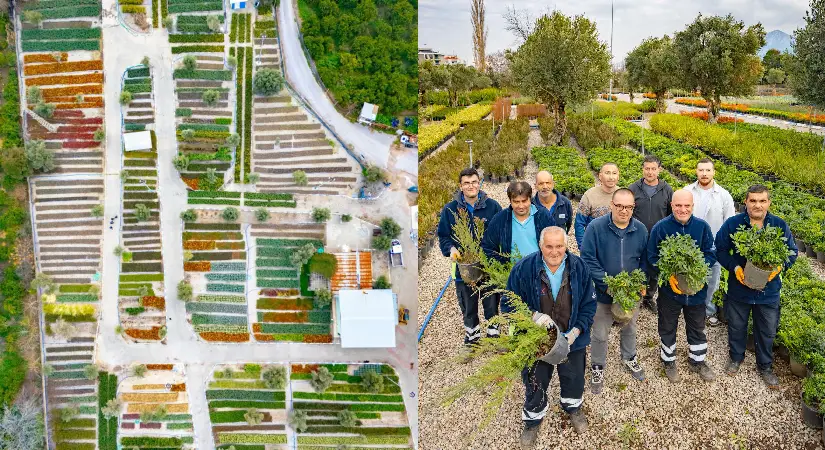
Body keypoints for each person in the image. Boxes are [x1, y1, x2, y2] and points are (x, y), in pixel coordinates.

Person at [504, 226, 597, 444]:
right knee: (535, 381)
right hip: (536, 342)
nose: (554, 251)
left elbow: (589, 304)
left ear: (566, 245)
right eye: (549, 246)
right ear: (540, 245)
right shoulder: (523, 269)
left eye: (559, 246)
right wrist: (532, 316)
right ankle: (533, 419)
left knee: (574, 378)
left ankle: (573, 407)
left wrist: (576, 331)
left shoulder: (579, 268)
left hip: (571, 339)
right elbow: (508, 304)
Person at [715, 184, 797, 388]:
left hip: (768, 292)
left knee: (767, 330)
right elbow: (721, 249)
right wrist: (735, 268)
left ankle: (765, 366)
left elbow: (792, 251)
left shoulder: (779, 225)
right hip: (739, 289)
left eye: (762, 201)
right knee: (736, 326)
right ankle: (735, 358)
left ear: (769, 203)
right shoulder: (733, 224)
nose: (757, 205)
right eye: (753, 201)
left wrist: (778, 267)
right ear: (745, 202)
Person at [580, 188, 648, 393]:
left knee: (629, 327)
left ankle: (629, 357)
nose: (624, 211)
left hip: (630, 294)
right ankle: (598, 366)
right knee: (600, 333)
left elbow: (645, 260)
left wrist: (640, 282)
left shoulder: (641, 230)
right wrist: (607, 284)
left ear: (633, 208)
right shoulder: (596, 227)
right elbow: (588, 259)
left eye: (628, 207)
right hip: (603, 294)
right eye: (619, 206)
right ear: (611, 205)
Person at [647, 190, 717, 383]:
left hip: (696, 290)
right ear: (672, 206)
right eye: (678, 205)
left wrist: (699, 270)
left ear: (693, 206)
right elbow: (652, 257)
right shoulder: (661, 228)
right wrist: (668, 274)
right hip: (670, 293)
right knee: (667, 325)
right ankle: (668, 360)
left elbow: (711, 254)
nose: (682, 209)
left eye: (687, 205)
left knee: (697, 325)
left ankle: (698, 361)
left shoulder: (702, 227)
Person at [437, 168, 503, 348]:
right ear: (461, 186)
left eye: (474, 182)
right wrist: (450, 249)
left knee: (491, 302)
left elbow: (502, 233)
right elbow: (443, 235)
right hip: (464, 269)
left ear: (479, 183)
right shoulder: (450, 210)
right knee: (468, 305)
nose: (471, 186)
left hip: (489, 267)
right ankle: (472, 339)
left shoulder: (493, 207)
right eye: (466, 183)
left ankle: (493, 336)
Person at [685, 158, 736, 326]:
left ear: (714, 172)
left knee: (712, 280)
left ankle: (708, 310)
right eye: (701, 170)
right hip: (690, 246)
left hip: (714, 247)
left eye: (708, 170)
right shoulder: (687, 191)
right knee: (689, 276)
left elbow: (730, 223)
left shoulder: (724, 195)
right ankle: (689, 308)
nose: (704, 174)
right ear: (696, 172)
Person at [629, 155, 673, 312]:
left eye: (653, 169)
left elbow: (670, 215)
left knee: (654, 269)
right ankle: (634, 296)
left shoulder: (667, 190)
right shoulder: (633, 189)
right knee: (635, 266)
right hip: (635, 236)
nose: (650, 172)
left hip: (658, 238)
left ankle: (648, 297)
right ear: (642, 169)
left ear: (659, 170)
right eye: (647, 168)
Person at [482, 181, 553, 264]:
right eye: (516, 202)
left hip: (540, 270)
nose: (521, 206)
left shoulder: (543, 216)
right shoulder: (500, 219)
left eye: (524, 201)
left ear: (530, 199)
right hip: (511, 272)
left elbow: (556, 242)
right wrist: (502, 267)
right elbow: (488, 247)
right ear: (510, 201)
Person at [574, 162, 619, 248]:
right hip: (595, 246)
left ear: (618, 176)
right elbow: (579, 224)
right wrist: (583, 246)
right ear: (600, 176)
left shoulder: (623, 194)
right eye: (607, 173)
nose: (611, 177)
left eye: (614, 173)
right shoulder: (589, 195)